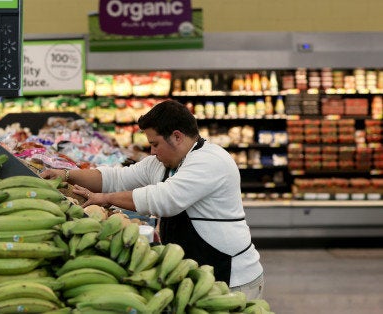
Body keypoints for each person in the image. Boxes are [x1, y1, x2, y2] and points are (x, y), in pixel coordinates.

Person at [41, 99, 264, 299]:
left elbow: (163, 199)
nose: (152, 151)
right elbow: (116, 177)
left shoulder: (210, 160)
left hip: (233, 277)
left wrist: (105, 198)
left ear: (177, 136)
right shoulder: (162, 163)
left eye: (155, 143)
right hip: (196, 273)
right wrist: (66, 174)